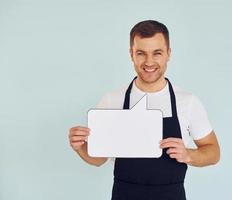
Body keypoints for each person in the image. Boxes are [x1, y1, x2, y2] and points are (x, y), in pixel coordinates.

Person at [68, 20, 220, 200]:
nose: (149, 62)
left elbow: (214, 152)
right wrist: (80, 147)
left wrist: (189, 154)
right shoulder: (112, 100)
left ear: (168, 54)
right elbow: (98, 159)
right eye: (141, 53)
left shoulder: (187, 102)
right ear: (131, 54)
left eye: (157, 53)